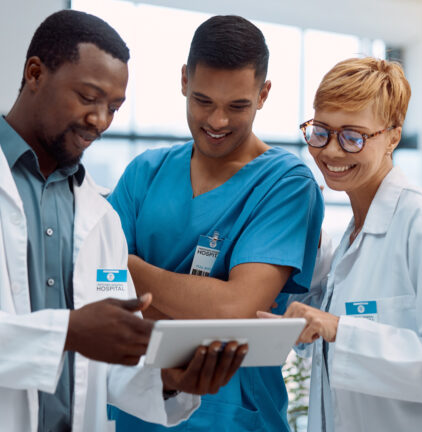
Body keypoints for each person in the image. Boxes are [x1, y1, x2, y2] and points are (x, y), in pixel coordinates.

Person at [0, 10, 246, 432]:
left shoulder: (101, 217)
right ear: (35, 73)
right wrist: (66, 332)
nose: (100, 120)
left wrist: (167, 380)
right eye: (88, 97)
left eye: (113, 107)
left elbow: (105, 368)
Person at [258, 57, 422, 431]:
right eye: (321, 131)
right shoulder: (352, 240)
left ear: (393, 137)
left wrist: (340, 330)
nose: (331, 151)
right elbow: (326, 345)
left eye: (352, 137)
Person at [106, 15, 324, 432]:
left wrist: (128, 266)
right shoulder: (144, 173)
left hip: (232, 418)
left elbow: (235, 309)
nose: (218, 121)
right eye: (203, 101)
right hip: (136, 413)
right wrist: (199, 304)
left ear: (263, 94)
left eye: (237, 106)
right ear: (184, 80)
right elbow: (99, 293)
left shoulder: (285, 184)